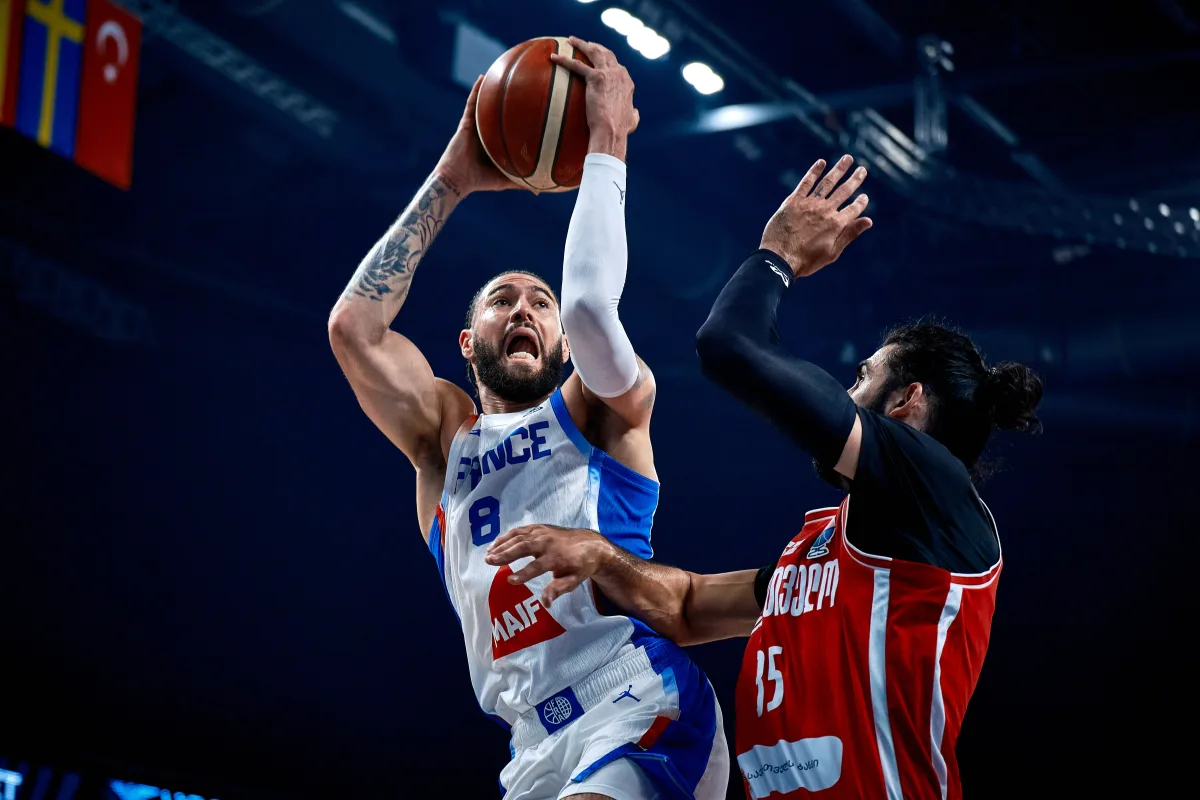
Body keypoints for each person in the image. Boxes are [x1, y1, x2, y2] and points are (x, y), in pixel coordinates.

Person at [487, 156, 1043, 799]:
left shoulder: (933, 489)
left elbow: (730, 346)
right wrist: (599, 553)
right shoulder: (837, 546)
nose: (845, 389)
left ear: (906, 402)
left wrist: (778, 254)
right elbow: (688, 607)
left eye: (863, 376)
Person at [327, 37, 728, 800]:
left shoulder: (602, 412)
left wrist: (609, 140)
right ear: (467, 342)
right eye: (503, 300)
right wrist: (453, 176)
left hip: (635, 703)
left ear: (562, 343)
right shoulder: (446, 445)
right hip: (533, 743)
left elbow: (588, 304)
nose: (525, 309)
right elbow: (353, 330)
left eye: (538, 303)